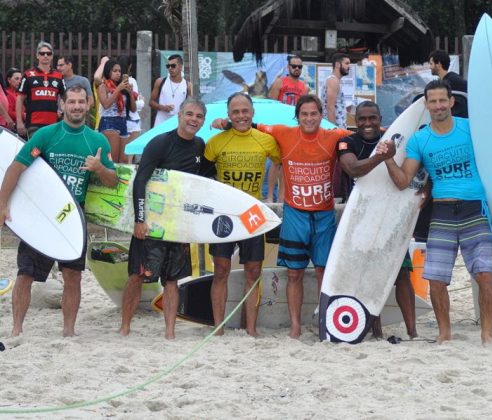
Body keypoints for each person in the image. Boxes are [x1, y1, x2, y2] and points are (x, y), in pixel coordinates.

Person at [378, 80, 492, 345]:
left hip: (475, 210)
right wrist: (388, 159)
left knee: (484, 274)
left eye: (442, 100)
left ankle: (486, 334)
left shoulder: (472, 129)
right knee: (436, 280)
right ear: (426, 105)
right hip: (442, 213)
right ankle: (444, 334)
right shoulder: (420, 139)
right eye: (432, 101)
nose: (438, 106)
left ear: (451, 102)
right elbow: (404, 179)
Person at [0, 85, 117, 337]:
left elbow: (113, 181)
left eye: (81, 102)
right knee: (25, 274)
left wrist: (99, 168)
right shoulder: (46, 135)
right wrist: (2, 203)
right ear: (62, 105)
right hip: (42, 216)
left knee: (73, 276)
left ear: (88, 106)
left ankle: (68, 331)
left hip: (74, 218)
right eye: (71, 102)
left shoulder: (97, 140)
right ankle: (17, 329)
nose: (76, 106)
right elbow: (16, 167)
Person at [254, 95, 352, 338]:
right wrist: (224, 123)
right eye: (304, 114)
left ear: (321, 115)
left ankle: (326, 323)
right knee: (294, 273)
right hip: (295, 215)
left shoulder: (334, 135)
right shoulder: (283, 132)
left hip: (324, 216)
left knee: (323, 272)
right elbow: (252, 125)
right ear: (297, 116)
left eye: (314, 114)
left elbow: (364, 133)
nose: (309, 118)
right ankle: (295, 326)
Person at [119, 98, 207, 340]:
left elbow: (205, 184)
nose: (193, 120)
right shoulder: (160, 143)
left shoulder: (200, 146)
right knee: (137, 276)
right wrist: (140, 219)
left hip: (178, 226)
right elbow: (140, 180)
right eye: (189, 114)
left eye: (199, 116)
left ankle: (169, 332)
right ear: (179, 115)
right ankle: (125, 327)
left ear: (203, 121)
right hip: (151, 223)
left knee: (172, 280)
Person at [336, 100, 418, 339]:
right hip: (360, 219)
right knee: (367, 274)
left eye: (372, 118)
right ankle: (377, 332)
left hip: (391, 217)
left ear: (380, 118)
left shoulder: (396, 138)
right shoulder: (348, 142)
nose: (367, 123)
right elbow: (352, 168)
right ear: (356, 121)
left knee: (402, 274)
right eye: (362, 119)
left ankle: (412, 331)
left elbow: (416, 167)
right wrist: (382, 157)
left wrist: (425, 190)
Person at [204, 92, 281, 336]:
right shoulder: (216, 142)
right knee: (221, 270)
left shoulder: (265, 140)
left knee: (253, 271)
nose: (240, 116)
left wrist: (275, 196)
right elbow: (202, 175)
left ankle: (251, 329)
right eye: (235, 112)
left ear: (252, 113)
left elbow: (282, 161)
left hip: (252, 213)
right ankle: (218, 328)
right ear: (228, 115)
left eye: (244, 111)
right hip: (224, 214)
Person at [15, 41, 66, 138]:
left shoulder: (59, 76)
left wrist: (63, 114)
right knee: (35, 152)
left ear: (52, 56)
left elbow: (66, 98)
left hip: (53, 125)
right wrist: (19, 122)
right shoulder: (28, 75)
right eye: (42, 53)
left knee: (50, 153)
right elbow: (19, 98)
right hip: (34, 125)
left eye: (48, 53)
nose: (45, 56)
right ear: (37, 56)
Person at [96, 58, 136, 163]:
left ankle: (119, 179)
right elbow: (106, 104)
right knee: (112, 159)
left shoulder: (123, 87)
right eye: (114, 71)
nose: (118, 73)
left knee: (124, 160)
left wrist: (130, 92)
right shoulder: (103, 86)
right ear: (108, 71)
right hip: (109, 122)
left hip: (123, 123)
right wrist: (118, 89)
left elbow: (133, 109)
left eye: (119, 71)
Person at [149, 54, 192, 127]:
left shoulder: (188, 85)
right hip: (160, 123)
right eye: (168, 66)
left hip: (177, 125)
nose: (170, 68)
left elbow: (191, 106)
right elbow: (151, 102)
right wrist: (163, 108)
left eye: (173, 66)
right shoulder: (160, 81)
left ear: (180, 67)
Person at [117, 55, 145, 162]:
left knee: (120, 157)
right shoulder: (131, 81)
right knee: (129, 157)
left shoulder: (115, 82)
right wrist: (142, 101)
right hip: (133, 122)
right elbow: (135, 105)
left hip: (121, 121)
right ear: (130, 66)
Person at [428, 49, 468, 118]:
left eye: (431, 64)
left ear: (438, 64)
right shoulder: (452, 78)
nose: (430, 67)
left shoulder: (452, 81)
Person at [321, 53, 350, 128]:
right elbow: (330, 107)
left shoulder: (335, 80)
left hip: (338, 126)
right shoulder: (333, 80)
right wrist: (333, 129)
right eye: (346, 63)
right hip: (335, 127)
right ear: (337, 64)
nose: (349, 67)